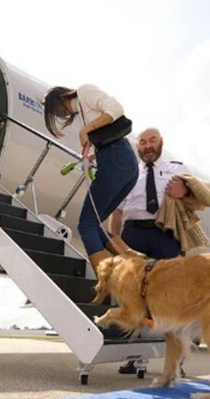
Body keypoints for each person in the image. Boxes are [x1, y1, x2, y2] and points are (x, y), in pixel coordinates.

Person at [110, 127, 191, 374]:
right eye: (142, 142)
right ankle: (134, 356)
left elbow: (199, 196)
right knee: (134, 297)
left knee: (173, 298)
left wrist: (185, 191)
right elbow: (117, 212)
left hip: (165, 235)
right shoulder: (128, 174)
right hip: (133, 234)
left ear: (161, 142)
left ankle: (178, 360)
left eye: (152, 140)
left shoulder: (176, 168)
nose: (147, 146)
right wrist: (116, 242)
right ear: (138, 147)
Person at [43, 84, 139, 273]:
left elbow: (116, 110)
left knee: (86, 224)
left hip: (116, 158)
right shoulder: (82, 111)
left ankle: (105, 282)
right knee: (95, 226)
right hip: (123, 162)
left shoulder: (84, 91)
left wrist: (85, 130)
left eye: (55, 109)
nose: (59, 114)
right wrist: (90, 155)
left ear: (60, 98)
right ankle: (134, 261)